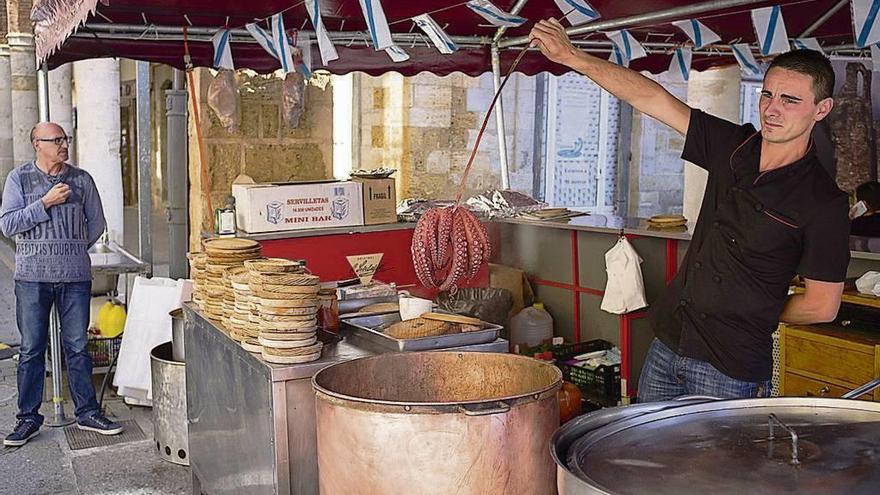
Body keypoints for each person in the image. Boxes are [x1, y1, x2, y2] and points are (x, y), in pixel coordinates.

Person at [529, 19, 849, 401]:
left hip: (729, 366)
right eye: (767, 95)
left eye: (790, 100)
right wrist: (573, 57)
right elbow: (652, 99)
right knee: (646, 454)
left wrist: (758, 309)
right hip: (669, 342)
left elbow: (822, 306)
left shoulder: (822, 201)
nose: (772, 109)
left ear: (821, 109)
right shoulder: (733, 145)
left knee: (714, 463)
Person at [1, 122, 123, 446]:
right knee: (30, 350)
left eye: (64, 138)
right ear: (36, 144)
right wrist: (45, 203)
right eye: (55, 140)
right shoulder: (19, 179)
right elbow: (8, 223)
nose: (63, 144)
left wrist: (70, 248)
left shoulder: (82, 179)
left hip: (75, 278)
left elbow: (97, 224)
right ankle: (27, 419)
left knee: (78, 347)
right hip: (31, 278)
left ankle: (87, 412)